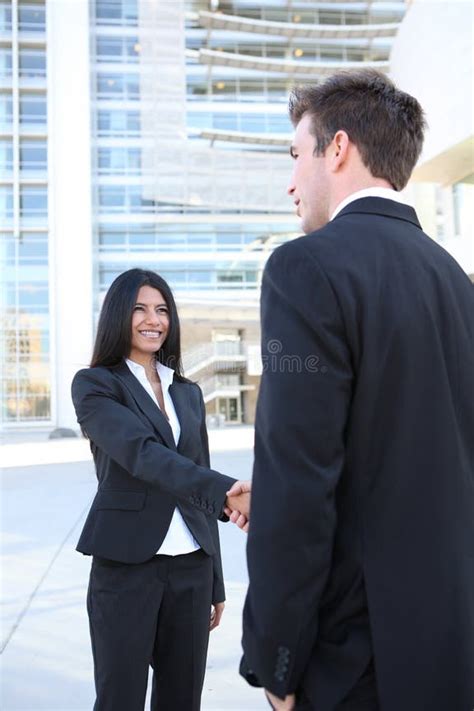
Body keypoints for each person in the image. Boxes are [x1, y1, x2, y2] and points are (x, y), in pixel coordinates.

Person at [238, 70, 474, 711]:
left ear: (336, 149)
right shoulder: (457, 282)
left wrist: (274, 662)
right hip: (450, 649)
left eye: (296, 154)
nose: (291, 182)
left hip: (356, 662)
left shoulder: (304, 267)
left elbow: (297, 482)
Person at [71, 268, 249, 711]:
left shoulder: (186, 393)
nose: (154, 319)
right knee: (120, 700)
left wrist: (215, 581)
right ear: (118, 316)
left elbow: (197, 474)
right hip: (126, 566)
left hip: (191, 568)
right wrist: (229, 492)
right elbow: (142, 454)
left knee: (182, 701)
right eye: (140, 309)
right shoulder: (95, 385)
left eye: (162, 309)